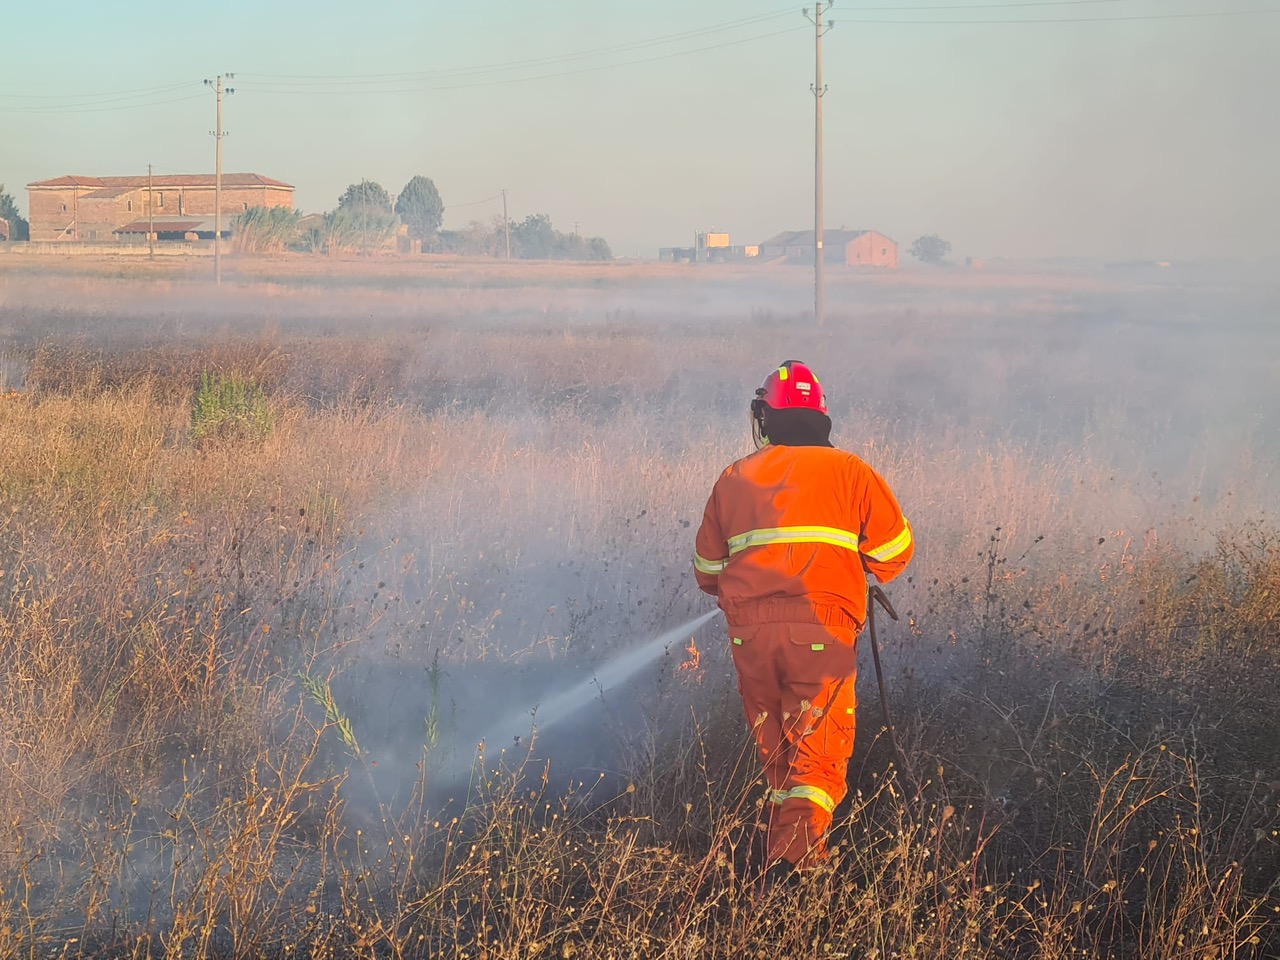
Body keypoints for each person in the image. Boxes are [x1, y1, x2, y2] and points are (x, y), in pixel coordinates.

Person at [693, 360, 914, 879]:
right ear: (821, 417)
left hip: (751, 637)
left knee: (780, 759)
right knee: (816, 761)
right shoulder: (852, 473)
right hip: (820, 630)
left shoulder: (735, 476)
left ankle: (774, 861)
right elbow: (895, 552)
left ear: (766, 417)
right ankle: (795, 881)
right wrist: (847, 557)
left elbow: (707, 571)